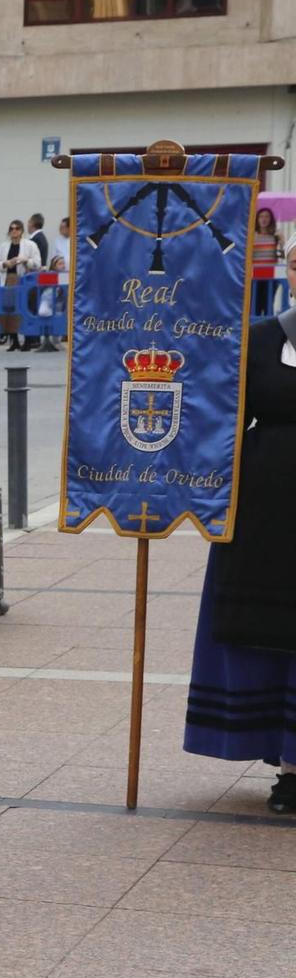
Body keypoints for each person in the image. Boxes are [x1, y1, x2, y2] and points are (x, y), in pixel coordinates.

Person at [184, 303, 296, 809]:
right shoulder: (260, 337)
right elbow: (220, 417)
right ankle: (289, 770)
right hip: (264, 508)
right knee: (270, 633)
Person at [0, 219, 43, 351]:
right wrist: (6, 263)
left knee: (24, 309)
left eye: (16, 228)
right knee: (10, 310)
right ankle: (14, 341)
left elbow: (38, 263)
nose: (14, 231)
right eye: (11, 228)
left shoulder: (30, 245)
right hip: (8, 279)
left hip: (24, 280)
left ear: (21, 231)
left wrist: (25, 260)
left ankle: (27, 341)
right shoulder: (3, 246)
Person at [252, 209, 283, 320]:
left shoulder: (275, 236)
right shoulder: (252, 236)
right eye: (261, 216)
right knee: (254, 306)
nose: (264, 219)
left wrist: (282, 241)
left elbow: (283, 256)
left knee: (268, 306)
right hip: (254, 277)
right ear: (257, 219)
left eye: (267, 217)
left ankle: (265, 330)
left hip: (270, 277)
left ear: (271, 220)